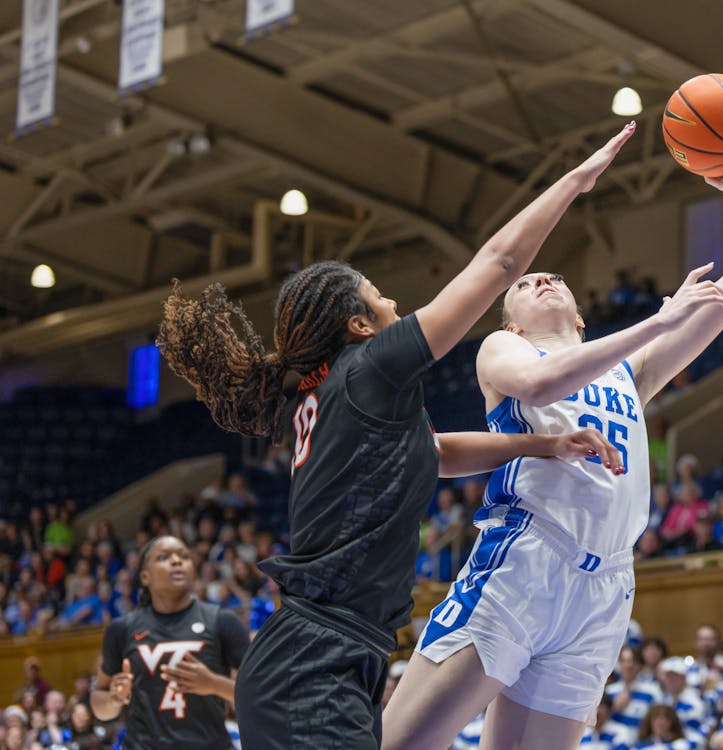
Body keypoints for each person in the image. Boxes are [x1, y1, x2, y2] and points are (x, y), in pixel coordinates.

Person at [157, 125, 637, 750]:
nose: (395, 306)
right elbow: (499, 263)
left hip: (325, 656)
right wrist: (577, 180)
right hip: (314, 661)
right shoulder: (372, 368)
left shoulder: (338, 395)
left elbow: (435, 455)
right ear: (359, 326)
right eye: (382, 301)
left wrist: (539, 444)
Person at [386, 128, 723, 750]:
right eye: (526, 282)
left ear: (581, 314)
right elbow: (539, 386)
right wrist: (660, 318)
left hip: (606, 588)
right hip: (525, 560)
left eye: (554, 277)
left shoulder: (629, 370)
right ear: (511, 317)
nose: (542, 279)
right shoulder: (504, 347)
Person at [91, 536, 250, 750]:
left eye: (184, 556)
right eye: (164, 557)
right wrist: (113, 699)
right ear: (145, 577)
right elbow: (99, 705)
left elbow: (259, 695)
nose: (177, 561)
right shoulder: (122, 629)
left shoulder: (223, 621)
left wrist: (214, 684)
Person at [601, 647, 665, 747]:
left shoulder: (652, 691)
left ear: (640, 665)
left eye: (632, 661)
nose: (628, 665)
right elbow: (598, 723)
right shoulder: (609, 692)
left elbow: (661, 720)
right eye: (624, 661)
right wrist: (613, 708)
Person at [656, 657, 709, 750]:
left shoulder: (694, 702)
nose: (671, 680)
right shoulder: (663, 700)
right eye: (668, 676)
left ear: (684, 678)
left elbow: (696, 735)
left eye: (675, 676)